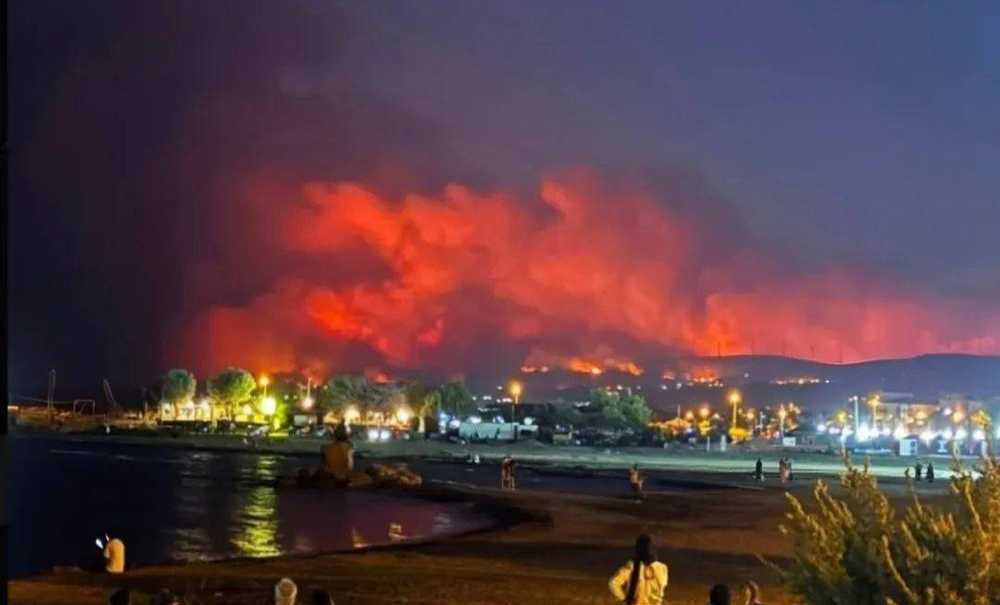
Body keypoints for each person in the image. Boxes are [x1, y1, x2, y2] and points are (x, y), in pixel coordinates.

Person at [608, 534, 668, 605]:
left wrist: (624, 599)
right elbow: (661, 591)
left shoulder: (632, 566)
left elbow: (613, 583)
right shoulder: (662, 568)